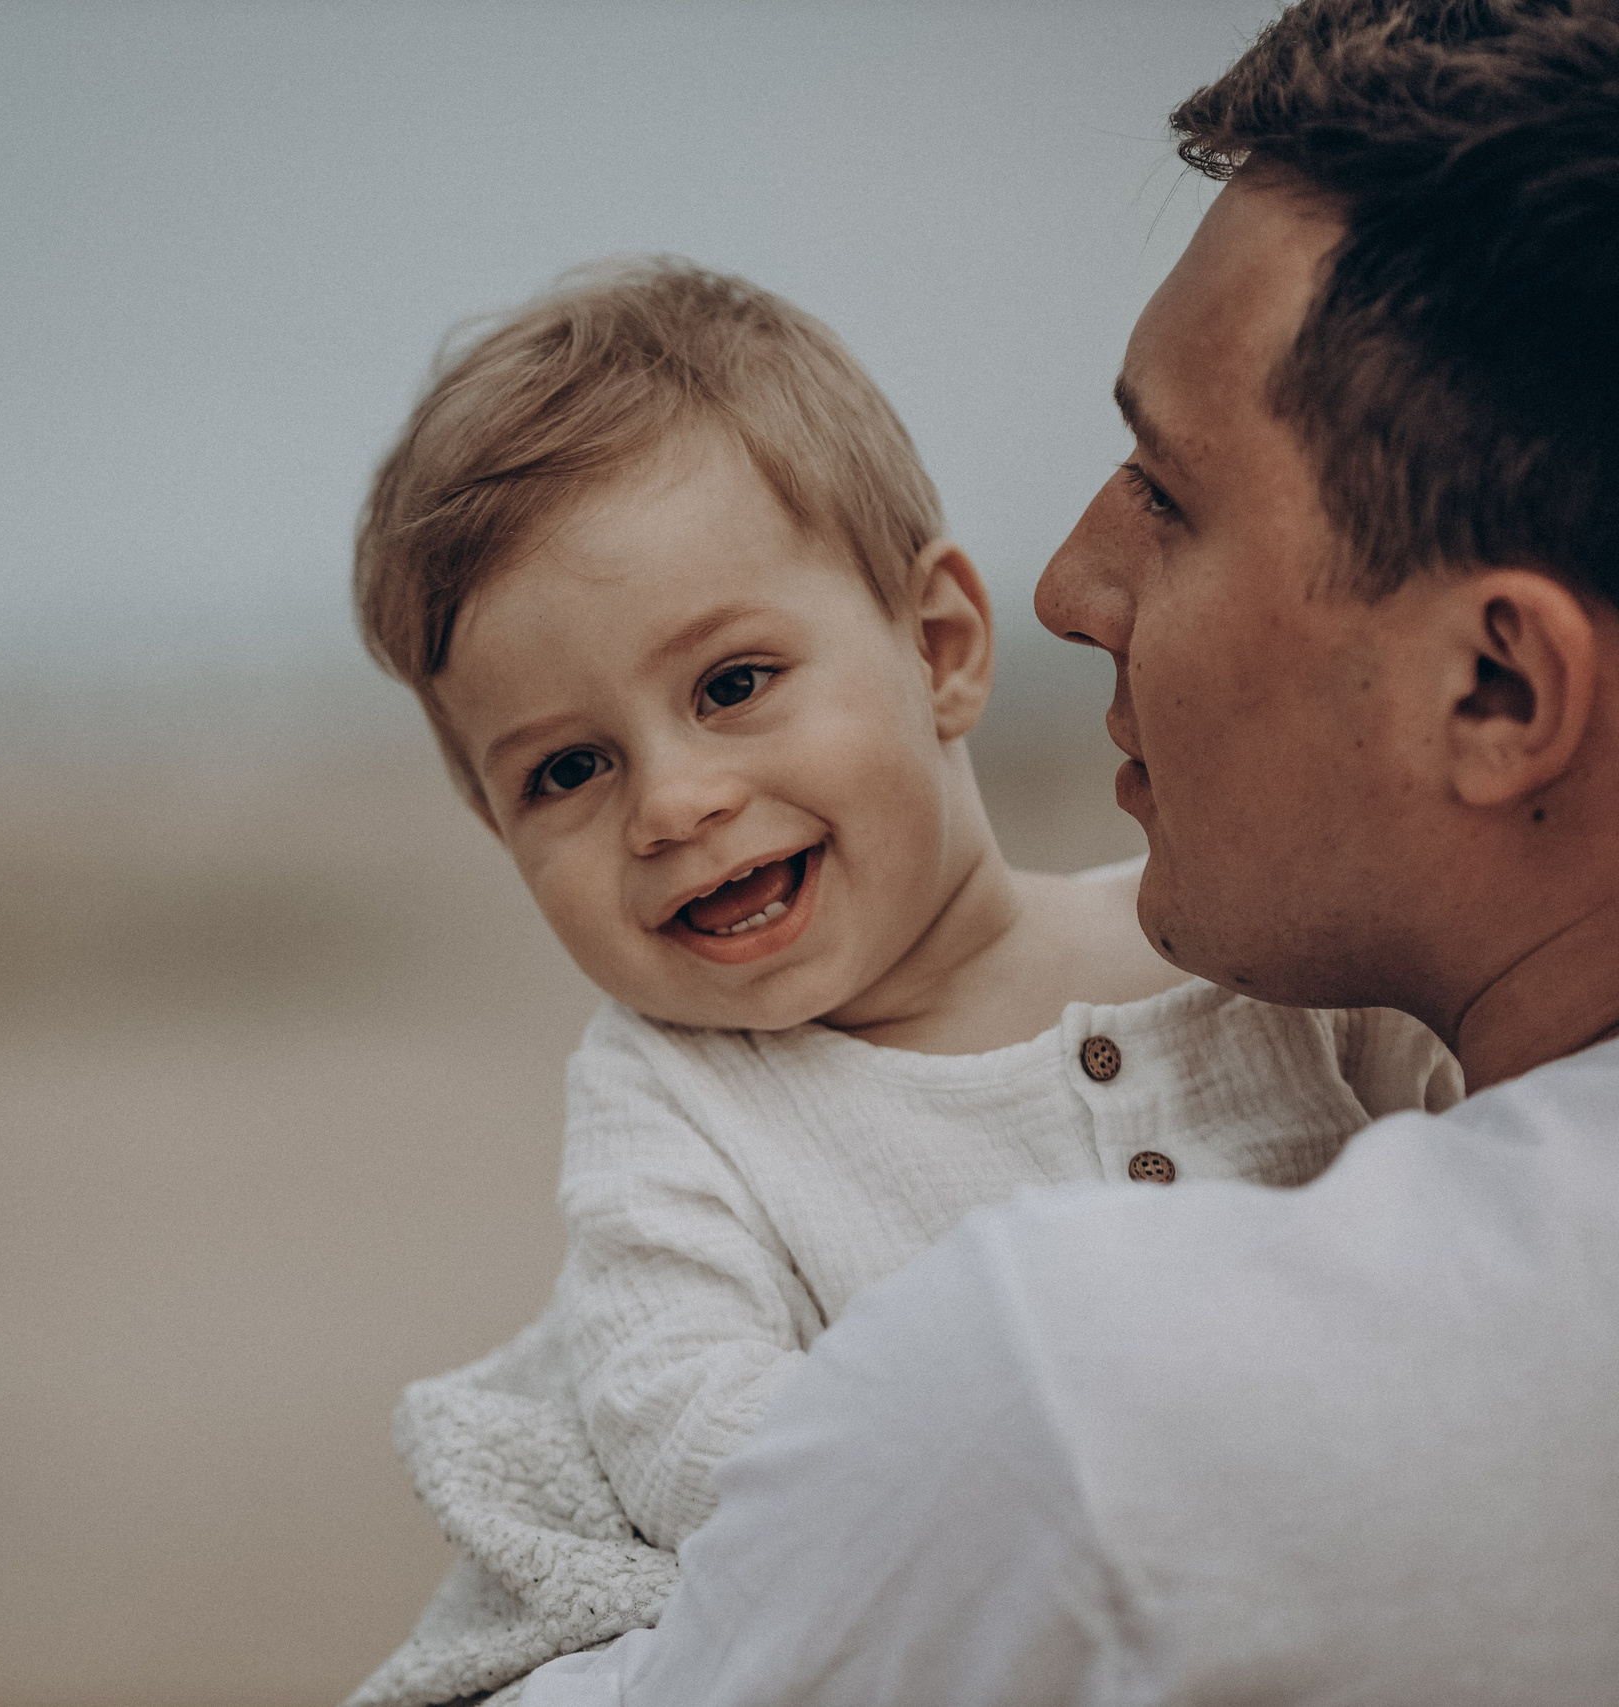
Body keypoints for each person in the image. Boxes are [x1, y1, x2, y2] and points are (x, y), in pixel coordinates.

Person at [514, 1, 1619, 1701]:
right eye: (563, 770)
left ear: (1498, 687)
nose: (1066, 588)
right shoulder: (675, 1118)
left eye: (1167, 494)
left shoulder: (1069, 1427)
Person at [342, 261, 1455, 1707]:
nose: (671, 804)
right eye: (566, 770)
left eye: (732, 684)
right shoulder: (673, 1097)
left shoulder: (1263, 961)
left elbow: (1500, 1233)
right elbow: (686, 1434)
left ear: (940, 650)